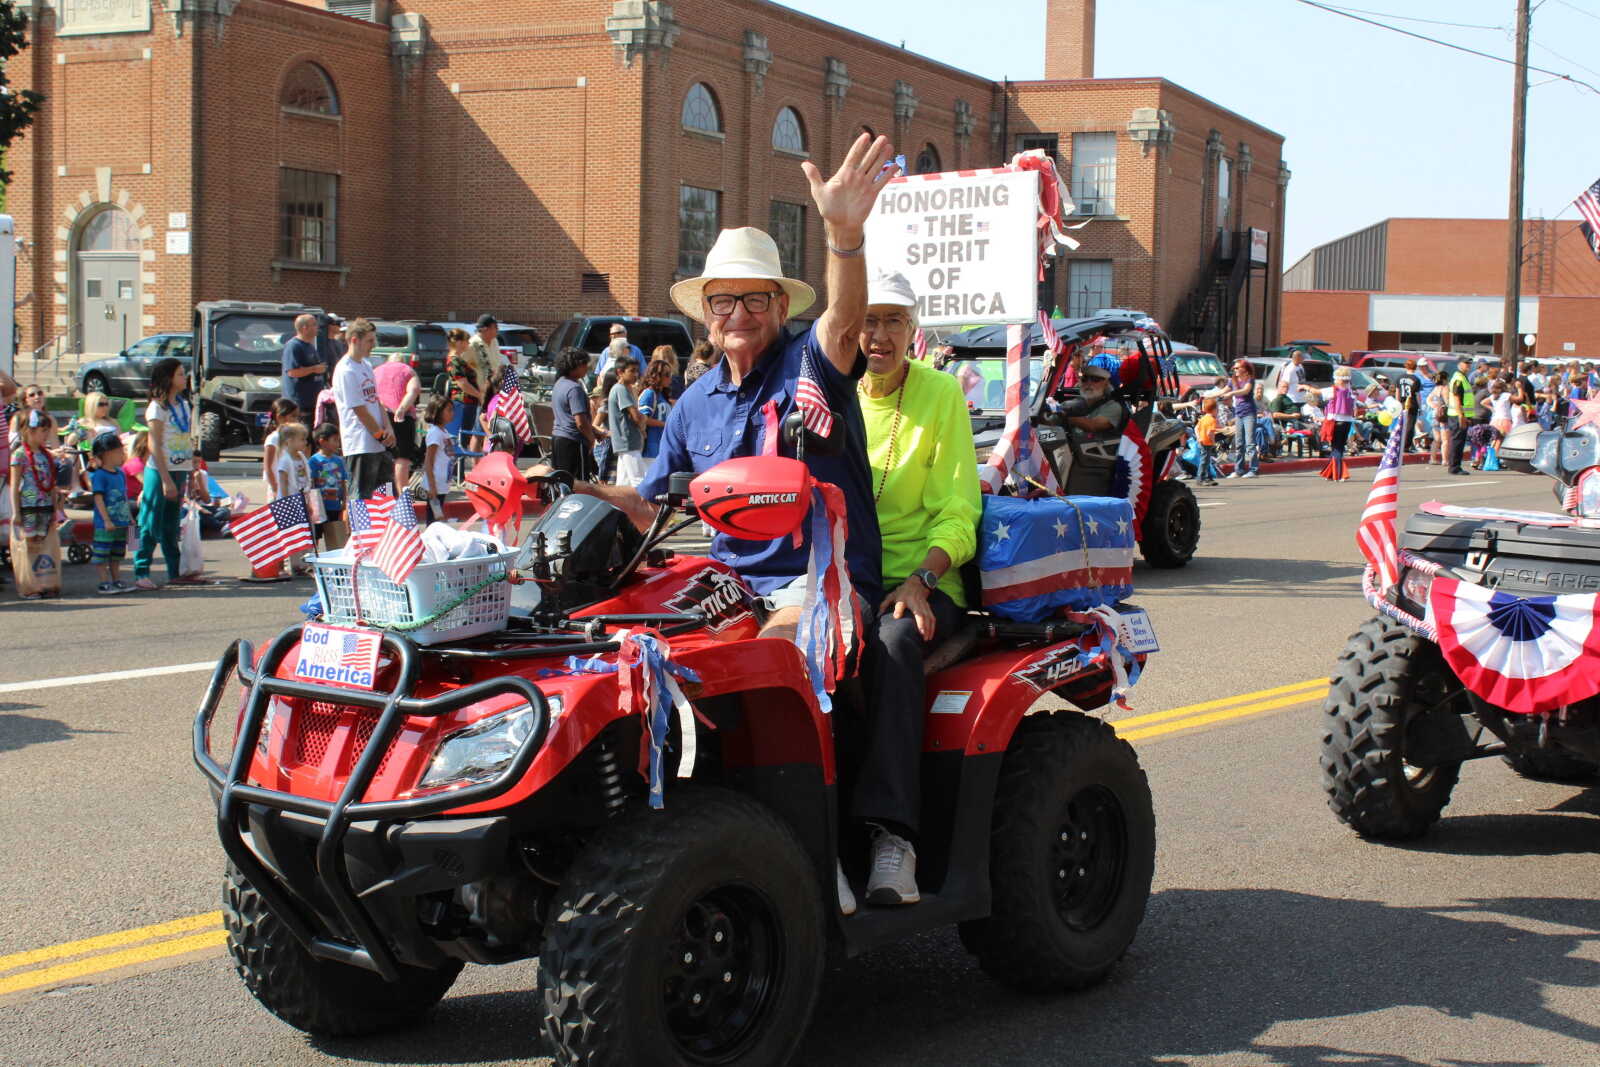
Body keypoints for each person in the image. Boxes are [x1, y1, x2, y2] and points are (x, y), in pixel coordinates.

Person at [539, 129, 896, 633]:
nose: (738, 314)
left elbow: (843, 323)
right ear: (705, 313)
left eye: (755, 299)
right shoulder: (695, 402)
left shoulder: (811, 366)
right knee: (624, 639)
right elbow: (648, 505)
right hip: (727, 584)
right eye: (723, 301)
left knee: (769, 654)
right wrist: (565, 486)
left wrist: (843, 234)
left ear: (781, 307)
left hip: (819, 580)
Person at [851, 270, 981, 907]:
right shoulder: (827, 393)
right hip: (846, 577)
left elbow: (959, 510)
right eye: (868, 320)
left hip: (923, 580)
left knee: (894, 641)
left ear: (913, 329)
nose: (879, 335)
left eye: (893, 321)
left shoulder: (939, 393)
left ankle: (893, 837)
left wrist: (922, 579)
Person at [134, 357, 206, 591]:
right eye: (180, 374)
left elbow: (186, 439)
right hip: (160, 471)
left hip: (180, 468)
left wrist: (191, 471)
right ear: (168, 378)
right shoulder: (157, 408)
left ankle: (174, 571)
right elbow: (154, 444)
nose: (185, 378)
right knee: (150, 522)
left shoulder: (183, 404)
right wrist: (165, 480)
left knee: (171, 524)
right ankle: (141, 570)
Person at [333, 318, 397, 499]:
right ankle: (357, 522)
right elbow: (359, 410)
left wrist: (388, 428)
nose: (373, 345)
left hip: (379, 444)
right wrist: (380, 435)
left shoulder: (366, 365)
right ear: (354, 340)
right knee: (362, 498)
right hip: (360, 444)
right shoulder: (346, 370)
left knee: (387, 497)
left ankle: (386, 520)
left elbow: (376, 400)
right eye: (369, 341)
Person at [11, 410, 62, 598]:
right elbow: (15, 485)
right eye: (43, 431)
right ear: (29, 431)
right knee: (30, 543)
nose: (46, 435)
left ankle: (44, 582)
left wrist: (56, 508)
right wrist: (16, 512)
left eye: (48, 430)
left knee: (42, 541)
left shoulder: (46, 454)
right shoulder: (19, 455)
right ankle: (30, 585)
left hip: (45, 505)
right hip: (28, 506)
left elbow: (52, 484)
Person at [89, 431, 133, 594]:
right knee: (102, 553)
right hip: (105, 524)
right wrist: (106, 520)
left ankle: (117, 580)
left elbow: (124, 496)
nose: (122, 455)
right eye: (119, 451)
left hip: (121, 522)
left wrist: (129, 517)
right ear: (107, 453)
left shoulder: (121, 473)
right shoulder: (99, 475)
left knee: (117, 553)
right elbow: (98, 499)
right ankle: (104, 582)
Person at [374, 349, 422, 490]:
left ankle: (387, 495)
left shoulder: (375, 371)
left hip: (379, 417)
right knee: (402, 459)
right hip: (403, 419)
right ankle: (403, 496)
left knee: (384, 458)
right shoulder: (407, 370)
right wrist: (402, 408)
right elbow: (414, 390)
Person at [548, 347, 597, 482]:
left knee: (561, 482)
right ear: (574, 366)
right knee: (578, 484)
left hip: (558, 439)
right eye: (584, 364)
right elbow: (580, 422)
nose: (586, 367)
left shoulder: (559, 384)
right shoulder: (574, 388)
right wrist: (591, 438)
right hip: (573, 442)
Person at [273, 422, 314, 574]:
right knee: (292, 533)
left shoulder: (302, 457)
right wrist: (286, 502)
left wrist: (308, 501)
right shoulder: (285, 460)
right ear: (290, 441)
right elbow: (283, 482)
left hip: (302, 500)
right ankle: (294, 564)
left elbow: (306, 479)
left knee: (305, 531)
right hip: (290, 501)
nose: (305, 442)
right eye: (302, 439)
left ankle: (305, 562)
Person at [606, 352, 647, 487]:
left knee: (623, 483)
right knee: (639, 481)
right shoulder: (620, 389)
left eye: (637, 371)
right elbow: (635, 415)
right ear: (620, 372)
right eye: (632, 371)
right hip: (628, 441)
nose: (636, 374)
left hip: (626, 443)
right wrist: (643, 423)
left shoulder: (624, 389)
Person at [466, 315, 504, 451]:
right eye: (495, 327)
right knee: (478, 430)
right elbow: (462, 365)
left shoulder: (494, 342)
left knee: (490, 427)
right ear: (485, 329)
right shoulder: (473, 344)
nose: (497, 330)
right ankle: (475, 461)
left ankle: (486, 458)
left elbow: (497, 364)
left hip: (494, 392)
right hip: (480, 393)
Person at [308, 423, 348, 550]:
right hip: (319, 507)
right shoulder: (314, 461)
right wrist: (311, 504)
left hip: (335, 506)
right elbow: (311, 483)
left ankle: (333, 557)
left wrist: (345, 501)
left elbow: (343, 482)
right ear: (322, 441)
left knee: (334, 533)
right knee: (316, 535)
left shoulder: (339, 461)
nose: (338, 444)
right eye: (335, 440)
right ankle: (314, 556)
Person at [280, 313, 327, 418]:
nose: (317, 327)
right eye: (314, 325)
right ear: (305, 328)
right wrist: (314, 369)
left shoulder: (310, 346)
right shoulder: (294, 346)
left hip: (312, 402)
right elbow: (292, 372)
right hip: (299, 404)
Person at [444, 326, 483, 450]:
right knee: (460, 439)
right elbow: (463, 384)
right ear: (459, 343)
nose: (468, 344)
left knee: (464, 439)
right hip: (462, 403)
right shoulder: (454, 361)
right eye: (467, 341)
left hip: (468, 403)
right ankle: (456, 462)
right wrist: (479, 395)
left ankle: (458, 461)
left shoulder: (459, 359)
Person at [422, 394, 455, 521]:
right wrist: (432, 486)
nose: (452, 413)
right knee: (433, 520)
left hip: (442, 484)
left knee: (438, 518)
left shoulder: (444, 432)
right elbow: (428, 461)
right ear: (438, 412)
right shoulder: (435, 433)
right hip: (435, 484)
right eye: (449, 410)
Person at [1320, 368, 1357, 482]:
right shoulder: (1351, 392)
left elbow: (1317, 392)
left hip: (1335, 421)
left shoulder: (1333, 390)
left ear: (1339, 380)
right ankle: (1330, 473)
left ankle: (1339, 474)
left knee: (1336, 447)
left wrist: (1305, 387)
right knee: (1339, 446)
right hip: (1347, 422)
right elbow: (1354, 409)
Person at [1224, 359, 1258, 478]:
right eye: (1234, 368)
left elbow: (1245, 391)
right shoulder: (1232, 380)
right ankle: (1239, 470)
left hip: (1249, 413)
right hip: (1238, 414)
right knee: (1239, 443)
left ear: (1245, 369)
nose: (1235, 370)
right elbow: (1223, 391)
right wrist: (1209, 395)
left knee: (1250, 443)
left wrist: (1231, 394)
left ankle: (1253, 470)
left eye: (1237, 368)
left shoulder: (1250, 380)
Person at [261, 397, 300, 498]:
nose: (297, 420)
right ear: (280, 418)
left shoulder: (292, 438)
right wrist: (275, 488)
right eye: (293, 416)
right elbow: (268, 467)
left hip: (291, 488)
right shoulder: (273, 438)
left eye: (297, 416)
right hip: (278, 489)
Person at [1446, 355, 1476, 476]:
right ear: (1459, 364)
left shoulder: (1463, 377)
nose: (1468, 366)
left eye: (1469, 363)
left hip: (1462, 414)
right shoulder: (1458, 378)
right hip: (1457, 415)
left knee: (1460, 442)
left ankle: (1456, 465)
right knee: (1457, 442)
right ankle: (1454, 467)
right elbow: (1457, 398)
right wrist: (1461, 416)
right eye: (1466, 363)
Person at [1195, 397, 1222, 484]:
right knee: (1205, 461)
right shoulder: (1212, 420)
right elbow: (1210, 433)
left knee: (1206, 460)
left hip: (1201, 441)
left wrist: (1198, 437)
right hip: (1207, 443)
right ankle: (1201, 478)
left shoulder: (1203, 418)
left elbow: (1196, 428)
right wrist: (1213, 442)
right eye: (1217, 409)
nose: (1218, 411)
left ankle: (1207, 477)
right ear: (1214, 409)